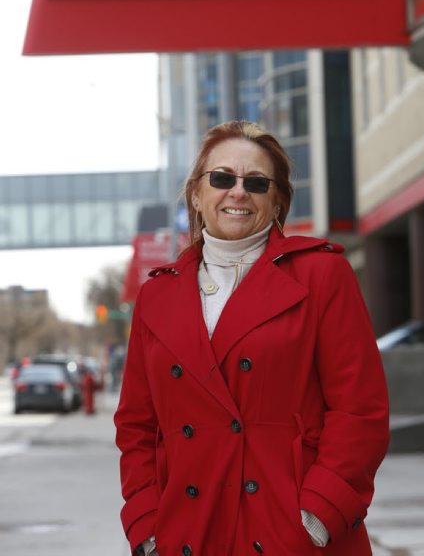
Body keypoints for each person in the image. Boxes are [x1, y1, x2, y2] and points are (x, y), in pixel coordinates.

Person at [114, 120, 389, 556]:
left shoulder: (322, 275)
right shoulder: (156, 295)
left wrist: (318, 517)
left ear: (277, 201)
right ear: (197, 195)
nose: (238, 192)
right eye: (222, 178)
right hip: (188, 532)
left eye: (257, 183)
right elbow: (136, 426)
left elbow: (360, 409)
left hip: (292, 534)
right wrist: (147, 524)